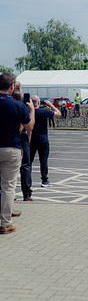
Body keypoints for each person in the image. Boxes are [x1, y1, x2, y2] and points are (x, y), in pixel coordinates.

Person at [0, 73, 34, 234]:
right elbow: (28, 127)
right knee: (8, 186)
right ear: (12, 87)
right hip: (11, 148)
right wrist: (32, 111)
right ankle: (5, 222)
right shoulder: (17, 105)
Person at [30, 96, 61, 187]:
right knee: (43, 160)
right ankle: (44, 180)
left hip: (31, 139)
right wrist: (51, 105)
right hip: (43, 139)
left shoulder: (29, 112)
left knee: (29, 161)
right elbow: (58, 114)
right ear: (39, 103)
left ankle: (27, 179)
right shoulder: (44, 112)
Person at [12, 83, 33, 202]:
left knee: (9, 169)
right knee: (24, 165)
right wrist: (32, 111)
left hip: (9, 138)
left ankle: (11, 195)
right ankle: (26, 193)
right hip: (19, 137)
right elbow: (28, 126)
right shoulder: (21, 106)